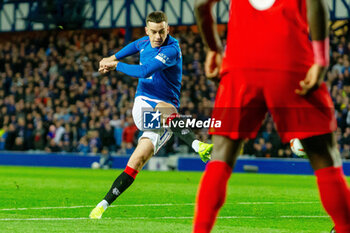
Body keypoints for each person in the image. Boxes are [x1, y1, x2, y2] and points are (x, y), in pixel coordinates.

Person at [193, 0, 350, 233]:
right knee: (324, 156)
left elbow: (200, 5)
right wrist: (320, 60)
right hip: (290, 60)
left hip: (240, 64)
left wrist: (214, 49)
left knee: (221, 155)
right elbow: (316, 3)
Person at [89, 11, 213, 219]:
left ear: (168, 29)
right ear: (147, 31)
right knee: (168, 110)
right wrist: (112, 57)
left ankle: (101, 205)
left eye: (162, 32)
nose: (157, 37)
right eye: (153, 32)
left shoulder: (172, 49)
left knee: (137, 161)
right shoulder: (145, 42)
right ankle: (197, 146)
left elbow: (145, 71)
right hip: (144, 105)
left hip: (162, 120)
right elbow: (134, 46)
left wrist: (115, 64)